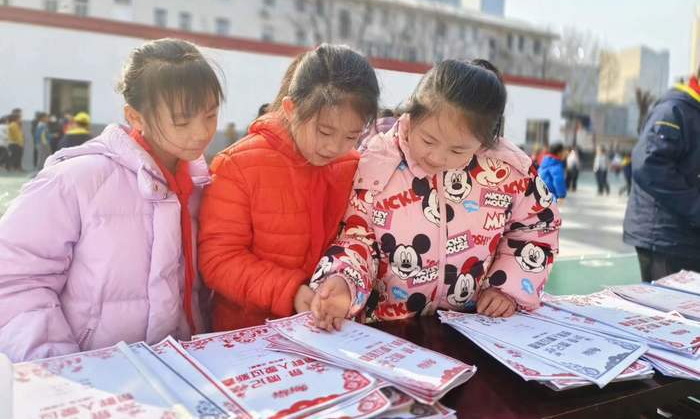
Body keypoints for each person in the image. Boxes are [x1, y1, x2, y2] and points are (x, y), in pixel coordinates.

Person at [0, 38, 223, 362]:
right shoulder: (77, 180)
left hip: (179, 371)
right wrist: (60, 364)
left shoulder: (201, 184)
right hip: (94, 381)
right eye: (182, 121)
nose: (201, 133)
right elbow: (13, 277)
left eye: (211, 115)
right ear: (136, 117)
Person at [308, 59, 561, 330]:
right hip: (388, 329)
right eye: (428, 140)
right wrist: (344, 281)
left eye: (458, 150)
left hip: (470, 329)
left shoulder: (508, 171)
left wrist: (505, 288)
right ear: (411, 114)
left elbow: (537, 226)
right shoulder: (379, 164)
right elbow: (357, 236)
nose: (438, 157)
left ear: (485, 141)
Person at [198, 44, 380, 331]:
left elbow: (361, 241)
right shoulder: (239, 165)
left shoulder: (354, 167)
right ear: (290, 108)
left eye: (351, 136)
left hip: (328, 333)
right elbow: (219, 260)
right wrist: (289, 291)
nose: (335, 147)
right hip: (252, 335)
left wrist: (343, 283)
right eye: (325, 131)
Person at [623, 66, 700, 282]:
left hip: (686, 238)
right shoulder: (675, 110)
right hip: (665, 238)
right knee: (669, 312)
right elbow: (649, 165)